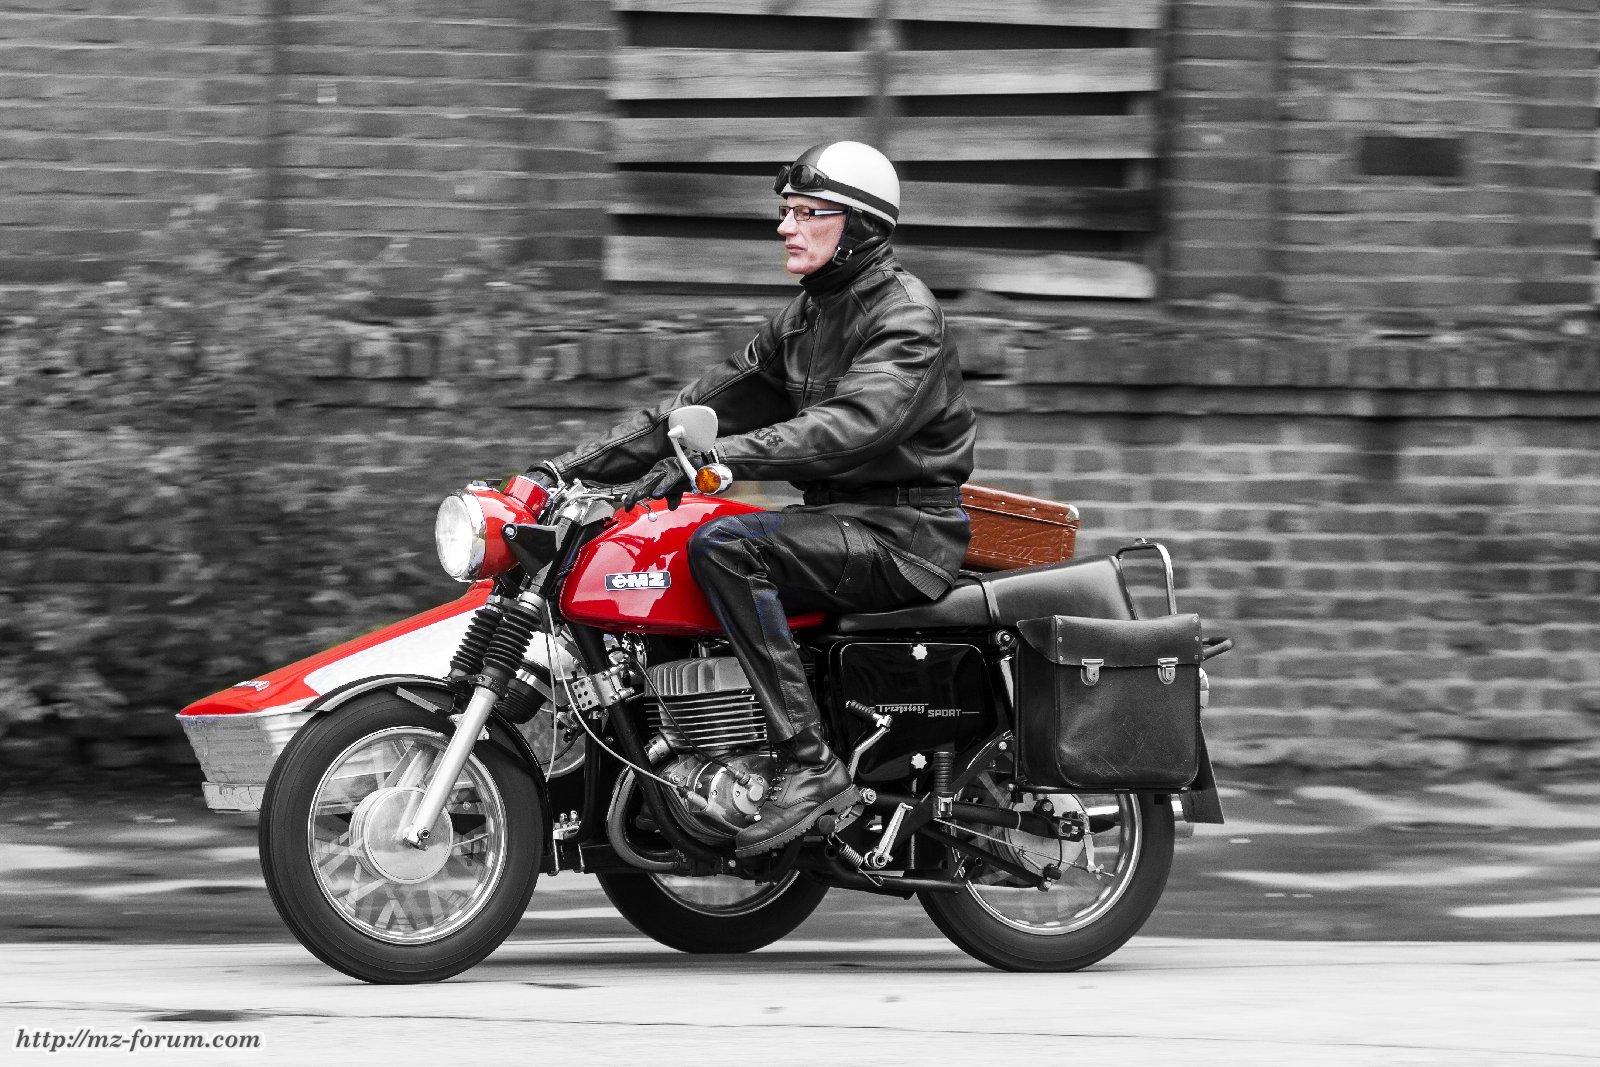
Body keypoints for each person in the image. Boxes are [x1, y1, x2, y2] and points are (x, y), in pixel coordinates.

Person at [532, 141, 975, 857]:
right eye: (786, 211)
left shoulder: (906, 318)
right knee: (667, 544)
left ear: (859, 225)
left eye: (807, 212)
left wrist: (719, 459)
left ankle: (811, 765)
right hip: (836, 522)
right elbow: (691, 410)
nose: (785, 227)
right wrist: (556, 472)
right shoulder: (804, 321)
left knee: (729, 546)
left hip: (902, 533)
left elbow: (852, 427)